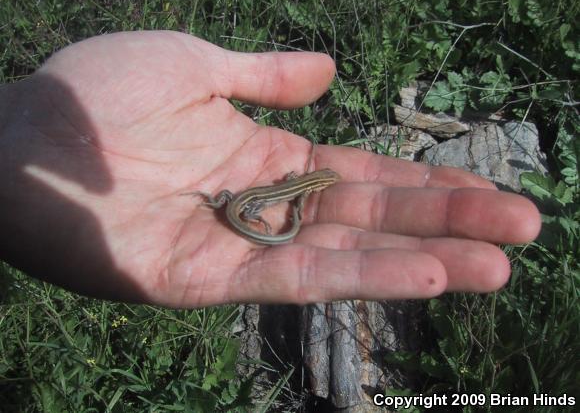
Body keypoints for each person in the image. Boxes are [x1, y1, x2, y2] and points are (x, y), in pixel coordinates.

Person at [0, 31, 541, 308]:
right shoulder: (298, 190)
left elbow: (291, 190)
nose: (324, 181)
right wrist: (261, 215)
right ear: (318, 183)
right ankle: (238, 218)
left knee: (250, 208)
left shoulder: (292, 187)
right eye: (324, 181)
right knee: (262, 216)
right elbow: (296, 193)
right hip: (243, 208)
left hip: (240, 204)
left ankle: (231, 214)